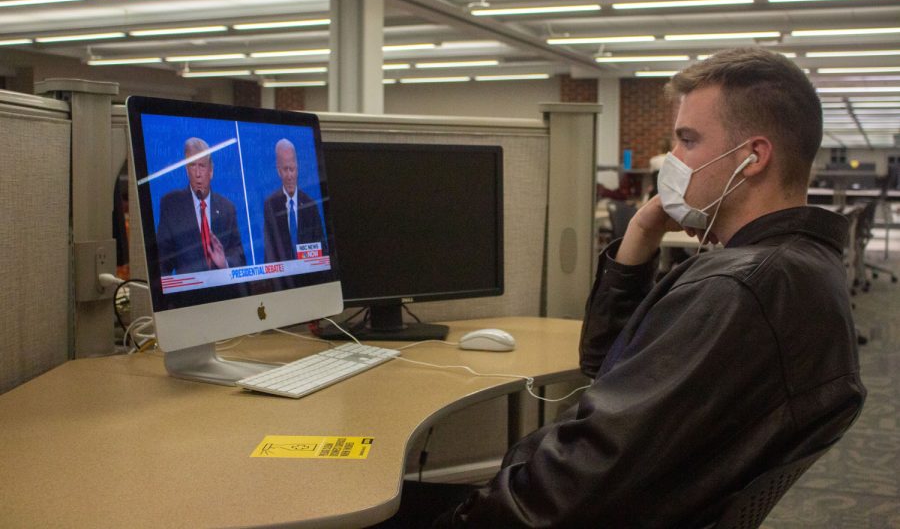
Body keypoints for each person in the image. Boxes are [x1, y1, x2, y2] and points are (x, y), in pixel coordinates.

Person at [417, 48, 866, 528]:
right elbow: (608, 366)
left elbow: (565, 492)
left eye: (687, 141)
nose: (671, 160)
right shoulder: (799, 266)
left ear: (753, 158)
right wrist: (641, 233)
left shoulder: (738, 290)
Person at [156, 137, 246, 275]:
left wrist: (225, 263)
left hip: (225, 291)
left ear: (211, 171)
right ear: (187, 170)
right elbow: (161, 262)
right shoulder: (171, 206)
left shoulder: (227, 208)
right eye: (192, 166)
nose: (198, 174)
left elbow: (240, 257)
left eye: (202, 166)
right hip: (189, 293)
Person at [262, 138, 326, 263]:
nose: (290, 175)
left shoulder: (310, 205)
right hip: (284, 279)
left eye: (293, 169)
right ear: (278, 170)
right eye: (285, 169)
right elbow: (269, 255)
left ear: (298, 168)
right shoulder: (270, 205)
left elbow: (323, 250)